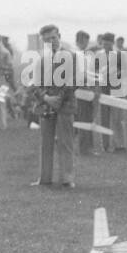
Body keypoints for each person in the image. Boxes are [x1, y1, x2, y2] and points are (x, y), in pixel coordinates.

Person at [31, 24, 77, 188]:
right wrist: (46, 98)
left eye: (53, 37)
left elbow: (73, 81)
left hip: (65, 104)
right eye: (47, 40)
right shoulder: (41, 59)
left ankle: (67, 179)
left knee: (66, 142)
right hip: (46, 105)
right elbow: (34, 84)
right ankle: (44, 179)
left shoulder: (71, 56)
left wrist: (58, 98)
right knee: (46, 142)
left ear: (59, 36)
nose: (52, 41)